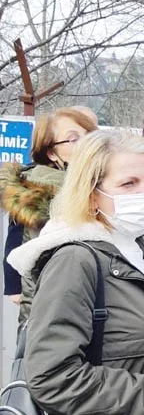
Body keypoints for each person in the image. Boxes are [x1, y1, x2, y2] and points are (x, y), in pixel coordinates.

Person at [6, 130, 144, 414]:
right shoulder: (75, 260)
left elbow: (126, 337)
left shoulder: (132, 246)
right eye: (128, 183)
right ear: (92, 194)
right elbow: (52, 378)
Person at [1, 108, 98, 315]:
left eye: (91, 134)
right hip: (49, 303)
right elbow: (17, 238)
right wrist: (13, 284)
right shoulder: (36, 191)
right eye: (74, 139)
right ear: (52, 153)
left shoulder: (102, 182)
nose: (86, 144)